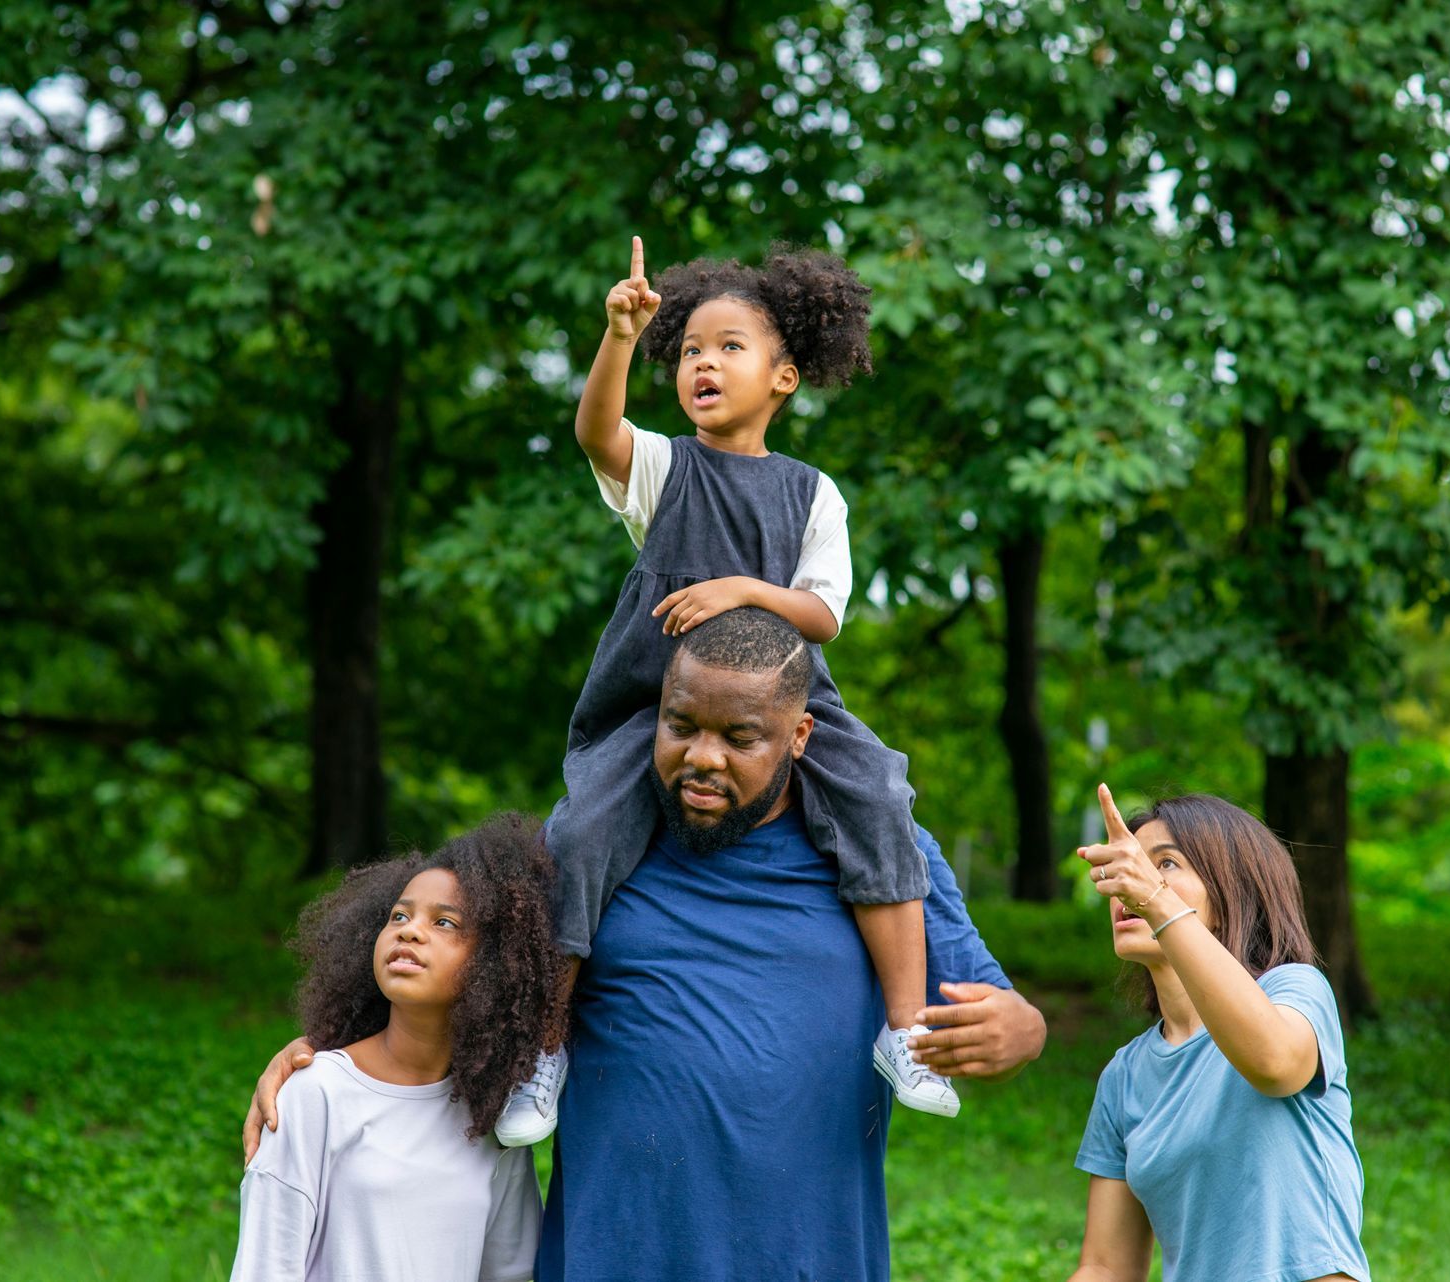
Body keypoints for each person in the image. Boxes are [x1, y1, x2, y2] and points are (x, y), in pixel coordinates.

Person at [244, 608, 1049, 1281]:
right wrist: (329, 1060)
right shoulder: (589, 852)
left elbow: (1003, 1008)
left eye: (741, 738)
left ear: (800, 734)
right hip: (609, 1256)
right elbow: (452, 980)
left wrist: (1021, 1031)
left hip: (810, 1257)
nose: (702, 759)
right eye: (680, 726)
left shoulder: (888, 861)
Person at [501, 234, 953, 1142]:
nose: (704, 362)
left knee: (882, 791)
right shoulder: (668, 469)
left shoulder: (812, 493)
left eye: (731, 347)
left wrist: (744, 590)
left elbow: (821, 615)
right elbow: (597, 430)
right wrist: (622, 337)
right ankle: (543, 1050)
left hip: (788, 703)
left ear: (785, 378)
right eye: (693, 349)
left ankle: (904, 1030)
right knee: (582, 829)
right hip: (656, 707)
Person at [230, 815, 563, 1282]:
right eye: (399, 916)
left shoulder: (494, 1119)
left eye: (445, 922)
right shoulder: (315, 1093)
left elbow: (509, 1274)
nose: (409, 931)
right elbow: (265, 1268)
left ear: (496, 964)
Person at [1069, 788, 1370, 1282]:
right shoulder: (1124, 1077)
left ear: (1235, 888)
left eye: (1165, 864)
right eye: (1131, 866)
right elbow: (1107, 1266)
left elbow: (1274, 1063)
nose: (1130, 885)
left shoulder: (1294, 991)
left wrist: (1155, 900)